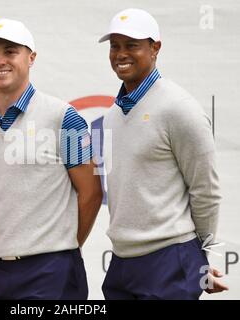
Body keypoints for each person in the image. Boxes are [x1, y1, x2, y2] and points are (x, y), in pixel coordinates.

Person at [0, 18, 102, 300]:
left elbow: (91, 193)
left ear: (31, 57)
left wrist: (63, 248)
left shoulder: (63, 117)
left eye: (10, 51)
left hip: (51, 270)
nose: (0, 60)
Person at [99, 8, 229, 299]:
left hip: (170, 260)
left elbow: (206, 190)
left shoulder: (179, 108)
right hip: (122, 263)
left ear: (155, 48)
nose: (121, 54)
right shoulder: (113, 115)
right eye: (115, 46)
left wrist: (203, 259)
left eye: (131, 45)